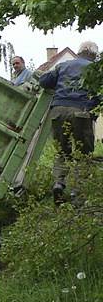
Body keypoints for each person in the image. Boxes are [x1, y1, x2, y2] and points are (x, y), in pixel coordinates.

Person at [38, 41, 101, 203]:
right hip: (81, 112)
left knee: (62, 151)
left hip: (58, 111)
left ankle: (59, 184)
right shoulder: (95, 70)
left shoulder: (63, 65)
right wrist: (93, 112)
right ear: (94, 55)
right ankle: (77, 193)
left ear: (79, 52)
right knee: (83, 153)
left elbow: (44, 81)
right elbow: (100, 97)